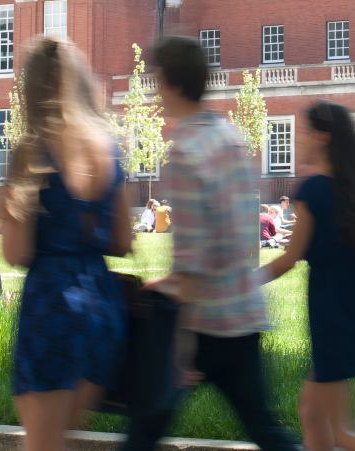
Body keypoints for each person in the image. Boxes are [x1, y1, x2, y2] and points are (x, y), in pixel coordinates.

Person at [121, 37, 297, 451]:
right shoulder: (228, 135)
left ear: (170, 84)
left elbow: (194, 258)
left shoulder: (186, 152)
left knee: (145, 429)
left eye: (156, 80)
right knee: (265, 428)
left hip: (203, 321)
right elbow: (233, 233)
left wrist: (181, 345)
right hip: (243, 309)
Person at [0, 37, 135, 451]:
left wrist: (4, 214)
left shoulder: (31, 152)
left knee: (42, 444)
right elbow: (123, 240)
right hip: (101, 304)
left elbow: (17, 252)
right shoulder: (106, 148)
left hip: (51, 304)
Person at [257, 101, 355, 451]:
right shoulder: (353, 188)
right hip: (354, 308)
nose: (299, 139)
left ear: (322, 137)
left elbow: (289, 258)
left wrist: (242, 284)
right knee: (314, 414)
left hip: (332, 310)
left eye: (304, 132)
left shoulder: (314, 189)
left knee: (340, 429)